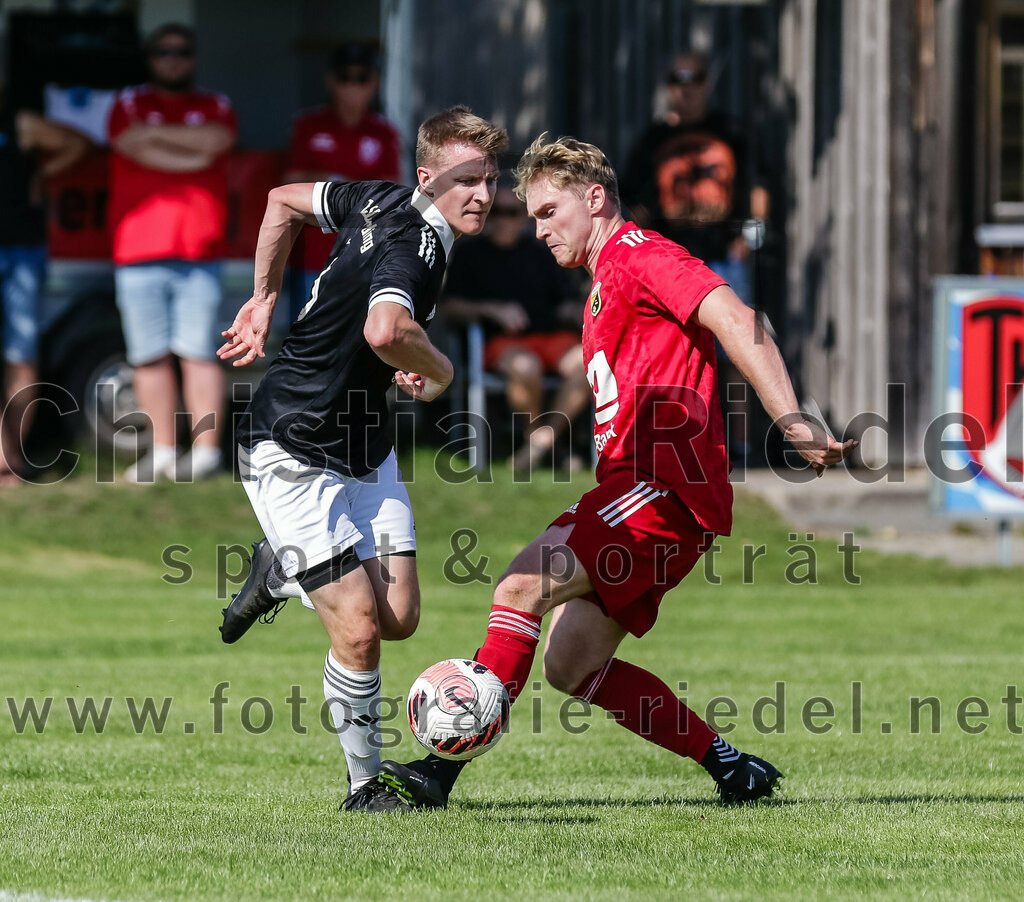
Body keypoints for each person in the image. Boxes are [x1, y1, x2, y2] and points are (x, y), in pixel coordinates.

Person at [375, 135, 856, 810]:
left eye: (548, 212)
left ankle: (437, 774)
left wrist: (792, 420)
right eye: (533, 217)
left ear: (594, 197)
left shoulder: (641, 255)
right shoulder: (605, 282)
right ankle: (731, 768)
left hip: (663, 484)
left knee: (519, 588)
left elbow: (736, 315)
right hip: (634, 488)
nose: (538, 230)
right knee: (572, 667)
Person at [216, 107, 508, 813]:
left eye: (491, 181)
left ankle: (281, 569)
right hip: (290, 445)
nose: (482, 195)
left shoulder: (375, 198)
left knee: (400, 613)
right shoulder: (419, 245)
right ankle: (363, 787)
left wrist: (264, 298)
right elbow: (387, 327)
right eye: (467, 179)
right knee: (361, 628)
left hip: (362, 443)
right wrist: (438, 373)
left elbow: (282, 202)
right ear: (428, 176)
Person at [620, 52, 769, 463]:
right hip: (672, 260)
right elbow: (630, 200)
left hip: (725, 254)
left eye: (695, 80)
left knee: (740, 344)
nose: (687, 89)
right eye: (678, 81)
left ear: (706, 84)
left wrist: (750, 238)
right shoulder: (652, 139)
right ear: (668, 87)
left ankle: (739, 446)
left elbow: (757, 185)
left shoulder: (730, 131)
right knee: (673, 349)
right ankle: (675, 442)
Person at [108, 23, 237, 483]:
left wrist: (158, 146)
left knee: (199, 354)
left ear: (193, 57)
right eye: (163, 51)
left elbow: (216, 143)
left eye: (181, 51)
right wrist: (190, 153)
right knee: (148, 356)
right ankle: (163, 452)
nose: (173, 59)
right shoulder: (128, 102)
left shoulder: (215, 104)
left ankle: (204, 455)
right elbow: (129, 142)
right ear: (151, 57)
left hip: (199, 248)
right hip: (137, 249)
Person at [441, 181, 589, 469]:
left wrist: (575, 310)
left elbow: (565, 300)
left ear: (523, 217)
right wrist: (491, 309)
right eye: (494, 212)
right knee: (525, 367)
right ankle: (544, 443)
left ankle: (540, 443)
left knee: (587, 363)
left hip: (550, 337)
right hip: (502, 344)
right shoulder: (469, 253)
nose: (501, 219)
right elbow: (449, 307)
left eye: (511, 212)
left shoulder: (542, 252)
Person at [0, 98, 93, 484]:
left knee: (19, 355)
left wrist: (42, 174)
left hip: (19, 250)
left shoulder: (16, 120)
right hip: (22, 254)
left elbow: (79, 145)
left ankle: (7, 461)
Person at [285, 42, 402, 320]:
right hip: (313, 252)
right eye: (344, 78)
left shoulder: (384, 132)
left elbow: (392, 191)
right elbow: (290, 181)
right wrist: (352, 186)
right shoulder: (308, 125)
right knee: (306, 337)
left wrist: (330, 184)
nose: (353, 87)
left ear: (374, 82)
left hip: (366, 251)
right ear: (331, 81)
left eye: (361, 78)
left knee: (358, 341)